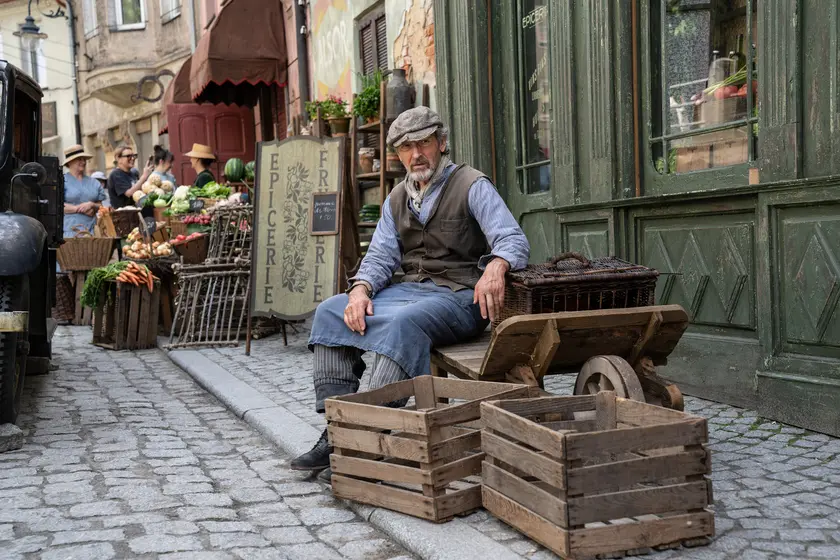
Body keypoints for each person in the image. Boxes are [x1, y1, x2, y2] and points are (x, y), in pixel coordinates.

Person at [291, 107, 530, 475]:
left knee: (404, 323)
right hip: (410, 291)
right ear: (398, 155)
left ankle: (370, 429)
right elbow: (380, 257)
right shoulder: (396, 198)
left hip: (460, 297)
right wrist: (360, 291)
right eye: (405, 147)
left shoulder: (471, 184)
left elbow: (512, 238)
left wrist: (497, 267)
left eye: (424, 143)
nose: (416, 154)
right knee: (329, 310)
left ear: (442, 143)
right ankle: (338, 428)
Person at [62, 145, 106, 238]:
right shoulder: (62, 181)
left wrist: (91, 204)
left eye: (84, 159)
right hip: (70, 231)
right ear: (69, 162)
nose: (83, 162)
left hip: (92, 231)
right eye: (79, 159)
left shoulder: (94, 182)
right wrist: (80, 209)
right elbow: (57, 207)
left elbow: (101, 206)